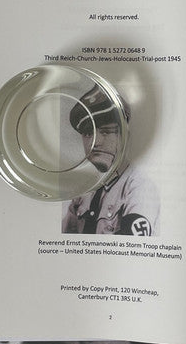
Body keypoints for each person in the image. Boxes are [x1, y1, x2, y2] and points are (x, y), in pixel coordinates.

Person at [61, 83, 159, 235]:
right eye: (88, 134)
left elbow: (132, 243)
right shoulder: (85, 190)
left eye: (106, 132)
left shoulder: (138, 187)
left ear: (125, 137)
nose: (95, 143)